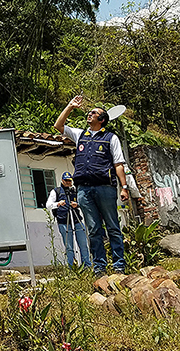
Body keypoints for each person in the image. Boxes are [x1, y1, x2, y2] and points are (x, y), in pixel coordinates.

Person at [54, 96, 129, 275]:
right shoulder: (80, 135)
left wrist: (124, 187)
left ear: (102, 120)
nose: (90, 114)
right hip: (84, 190)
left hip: (105, 187)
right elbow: (58, 126)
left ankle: (119, 265)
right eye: (90, 112)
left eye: (94, 113)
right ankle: (100, 267)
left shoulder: (111, 138)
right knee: (94, 229)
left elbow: (119, 164)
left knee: (112, 227)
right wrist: (70, 106)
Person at [45, 171, 90, 268]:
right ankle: (72, 267)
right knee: (69, 247)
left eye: (69, 180)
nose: (68, 182)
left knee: (83, 244)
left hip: (76, 220)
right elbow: (48, 205)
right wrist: (58, 204)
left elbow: (84, 202)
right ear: (62, 180)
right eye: (66, 180)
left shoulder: (74, 191)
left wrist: (77, 204)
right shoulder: (56, 191)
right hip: (64, 221)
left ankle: (87, 266)